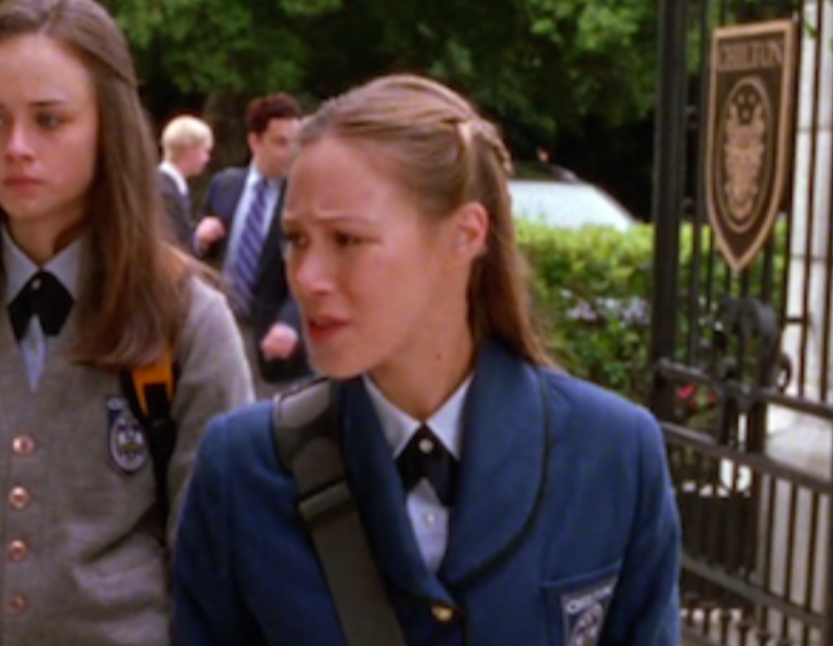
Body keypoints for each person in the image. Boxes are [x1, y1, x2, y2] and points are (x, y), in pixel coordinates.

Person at [172, 74, 680, 645]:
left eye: (347, 239)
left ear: (465, 235)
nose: (307, 278)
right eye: (296, 239)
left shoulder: (611, 454)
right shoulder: (242, 469)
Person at [0, 1, 253, 644]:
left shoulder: (187, 321)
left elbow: (217, 574)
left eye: (49, 120)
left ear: (109, 126)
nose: (17, 148)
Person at [193, 93, 309, 396]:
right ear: (255, 142)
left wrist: (290, 323)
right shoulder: (225, 185)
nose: (291, 153)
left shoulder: (303, 199)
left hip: (271, 341)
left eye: (296, 143)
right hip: (220, 328)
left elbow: (311, 269)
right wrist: (201, 240)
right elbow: (200, 259)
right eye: (281, 143)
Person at [157, 115, 212, 249]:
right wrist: (197, 237)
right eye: (205, 150)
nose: (208, 158)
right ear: (191, 150)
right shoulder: (165, 192)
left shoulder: (167, 185)